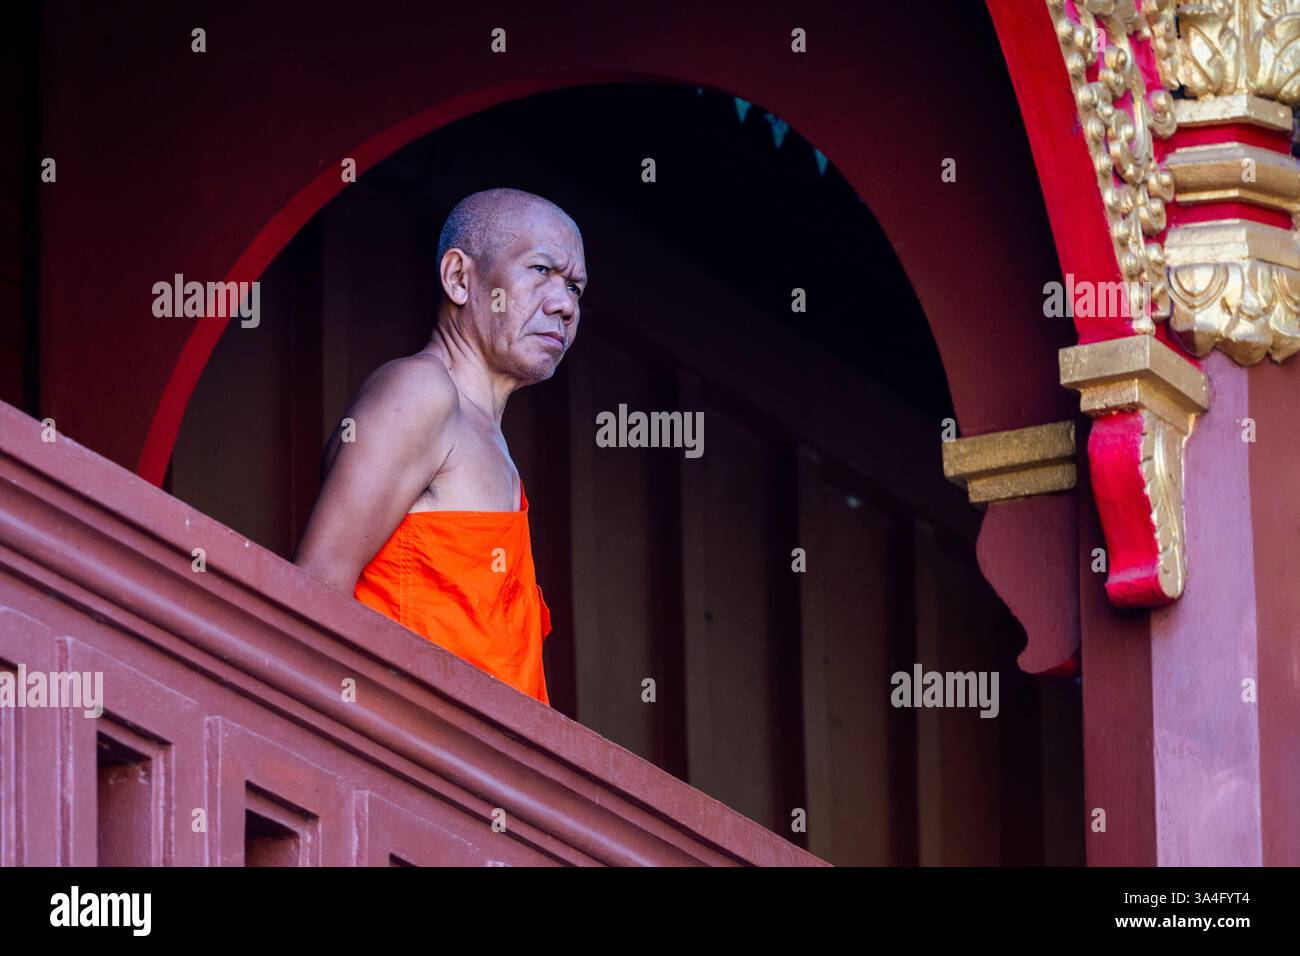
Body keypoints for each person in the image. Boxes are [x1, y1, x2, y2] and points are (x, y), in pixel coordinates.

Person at [293, 187, 586, 706]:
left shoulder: (495, 449)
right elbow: (316, 589)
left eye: (576, 289)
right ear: (458, 278)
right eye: (541, 270)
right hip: (401, 763)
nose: (564, 304)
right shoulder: (422, 392)